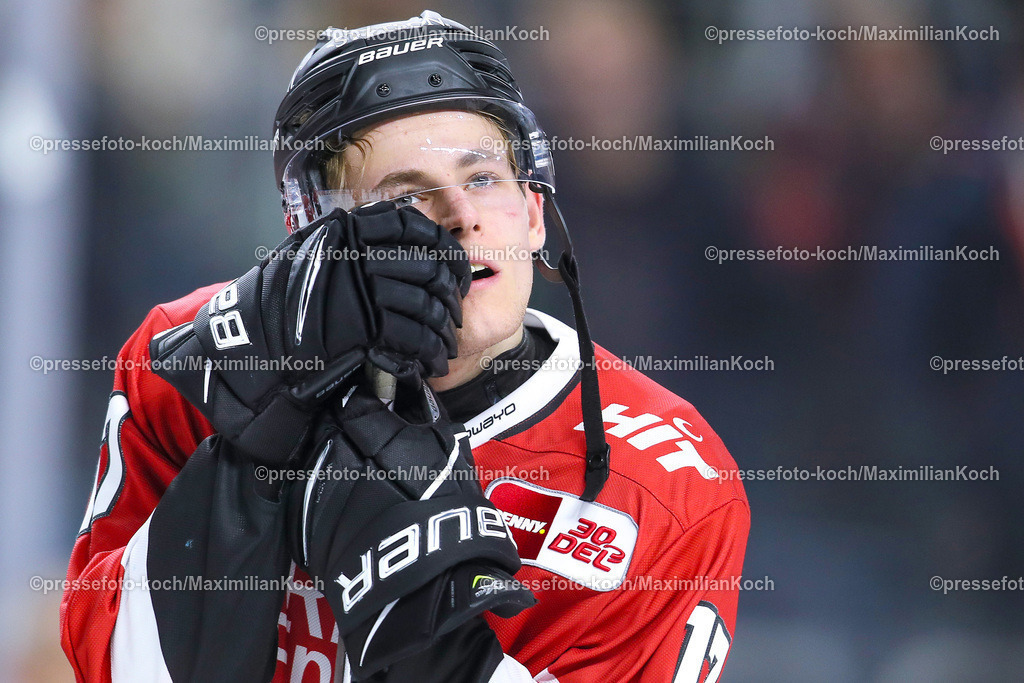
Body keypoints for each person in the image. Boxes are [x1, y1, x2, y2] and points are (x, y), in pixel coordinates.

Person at [61, 11, 749, 683]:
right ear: (317, 233)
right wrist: (256, 452)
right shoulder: (199, 355)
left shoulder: (668, 484)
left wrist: (433, 637)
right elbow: (110, 665)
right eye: (407, 197)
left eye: (483, 178)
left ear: (535, 211)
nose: (461, 216)